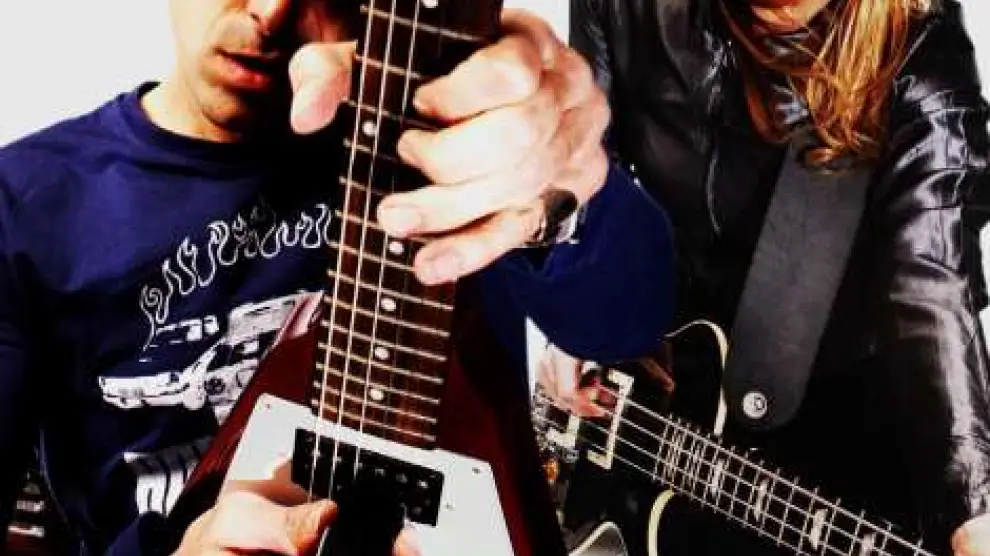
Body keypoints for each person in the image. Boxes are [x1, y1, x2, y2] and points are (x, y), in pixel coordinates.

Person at [0, 1, 677, 554]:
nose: (270, 12)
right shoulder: (23, 202)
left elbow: (629, 321)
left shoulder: (455, 144)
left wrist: (565, 188)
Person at [535, 0, 990, 554]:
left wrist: (972, 511)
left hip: (827, 460)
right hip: (666, 386)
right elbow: (587, 160)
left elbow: (932, 279)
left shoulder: (916, 51)